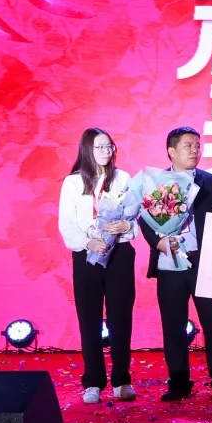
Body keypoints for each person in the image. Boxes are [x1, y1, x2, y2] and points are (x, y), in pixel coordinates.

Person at [140, 127, 212, 402]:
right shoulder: (156, 182)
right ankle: (179, 380)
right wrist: (158, 243)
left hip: (202, 260)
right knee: (173, 324)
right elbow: (144, 220)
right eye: (188, 146)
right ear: (171, 151)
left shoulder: (211, 182)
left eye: (197, 145)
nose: (195, 150)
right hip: (170, 262)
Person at [59, 128, 138, 404]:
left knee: (120, 318)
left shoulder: (123, 178)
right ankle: (93, 381)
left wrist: (126, 226)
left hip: (120, 254)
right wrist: (88, 242)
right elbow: (67, 224)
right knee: (89, 318)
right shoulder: (72, 183)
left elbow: (136, 218)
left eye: (109, 147)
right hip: (87, 255)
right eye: (99, 147)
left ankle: (121, 380)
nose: (106, 152)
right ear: (87, 150)